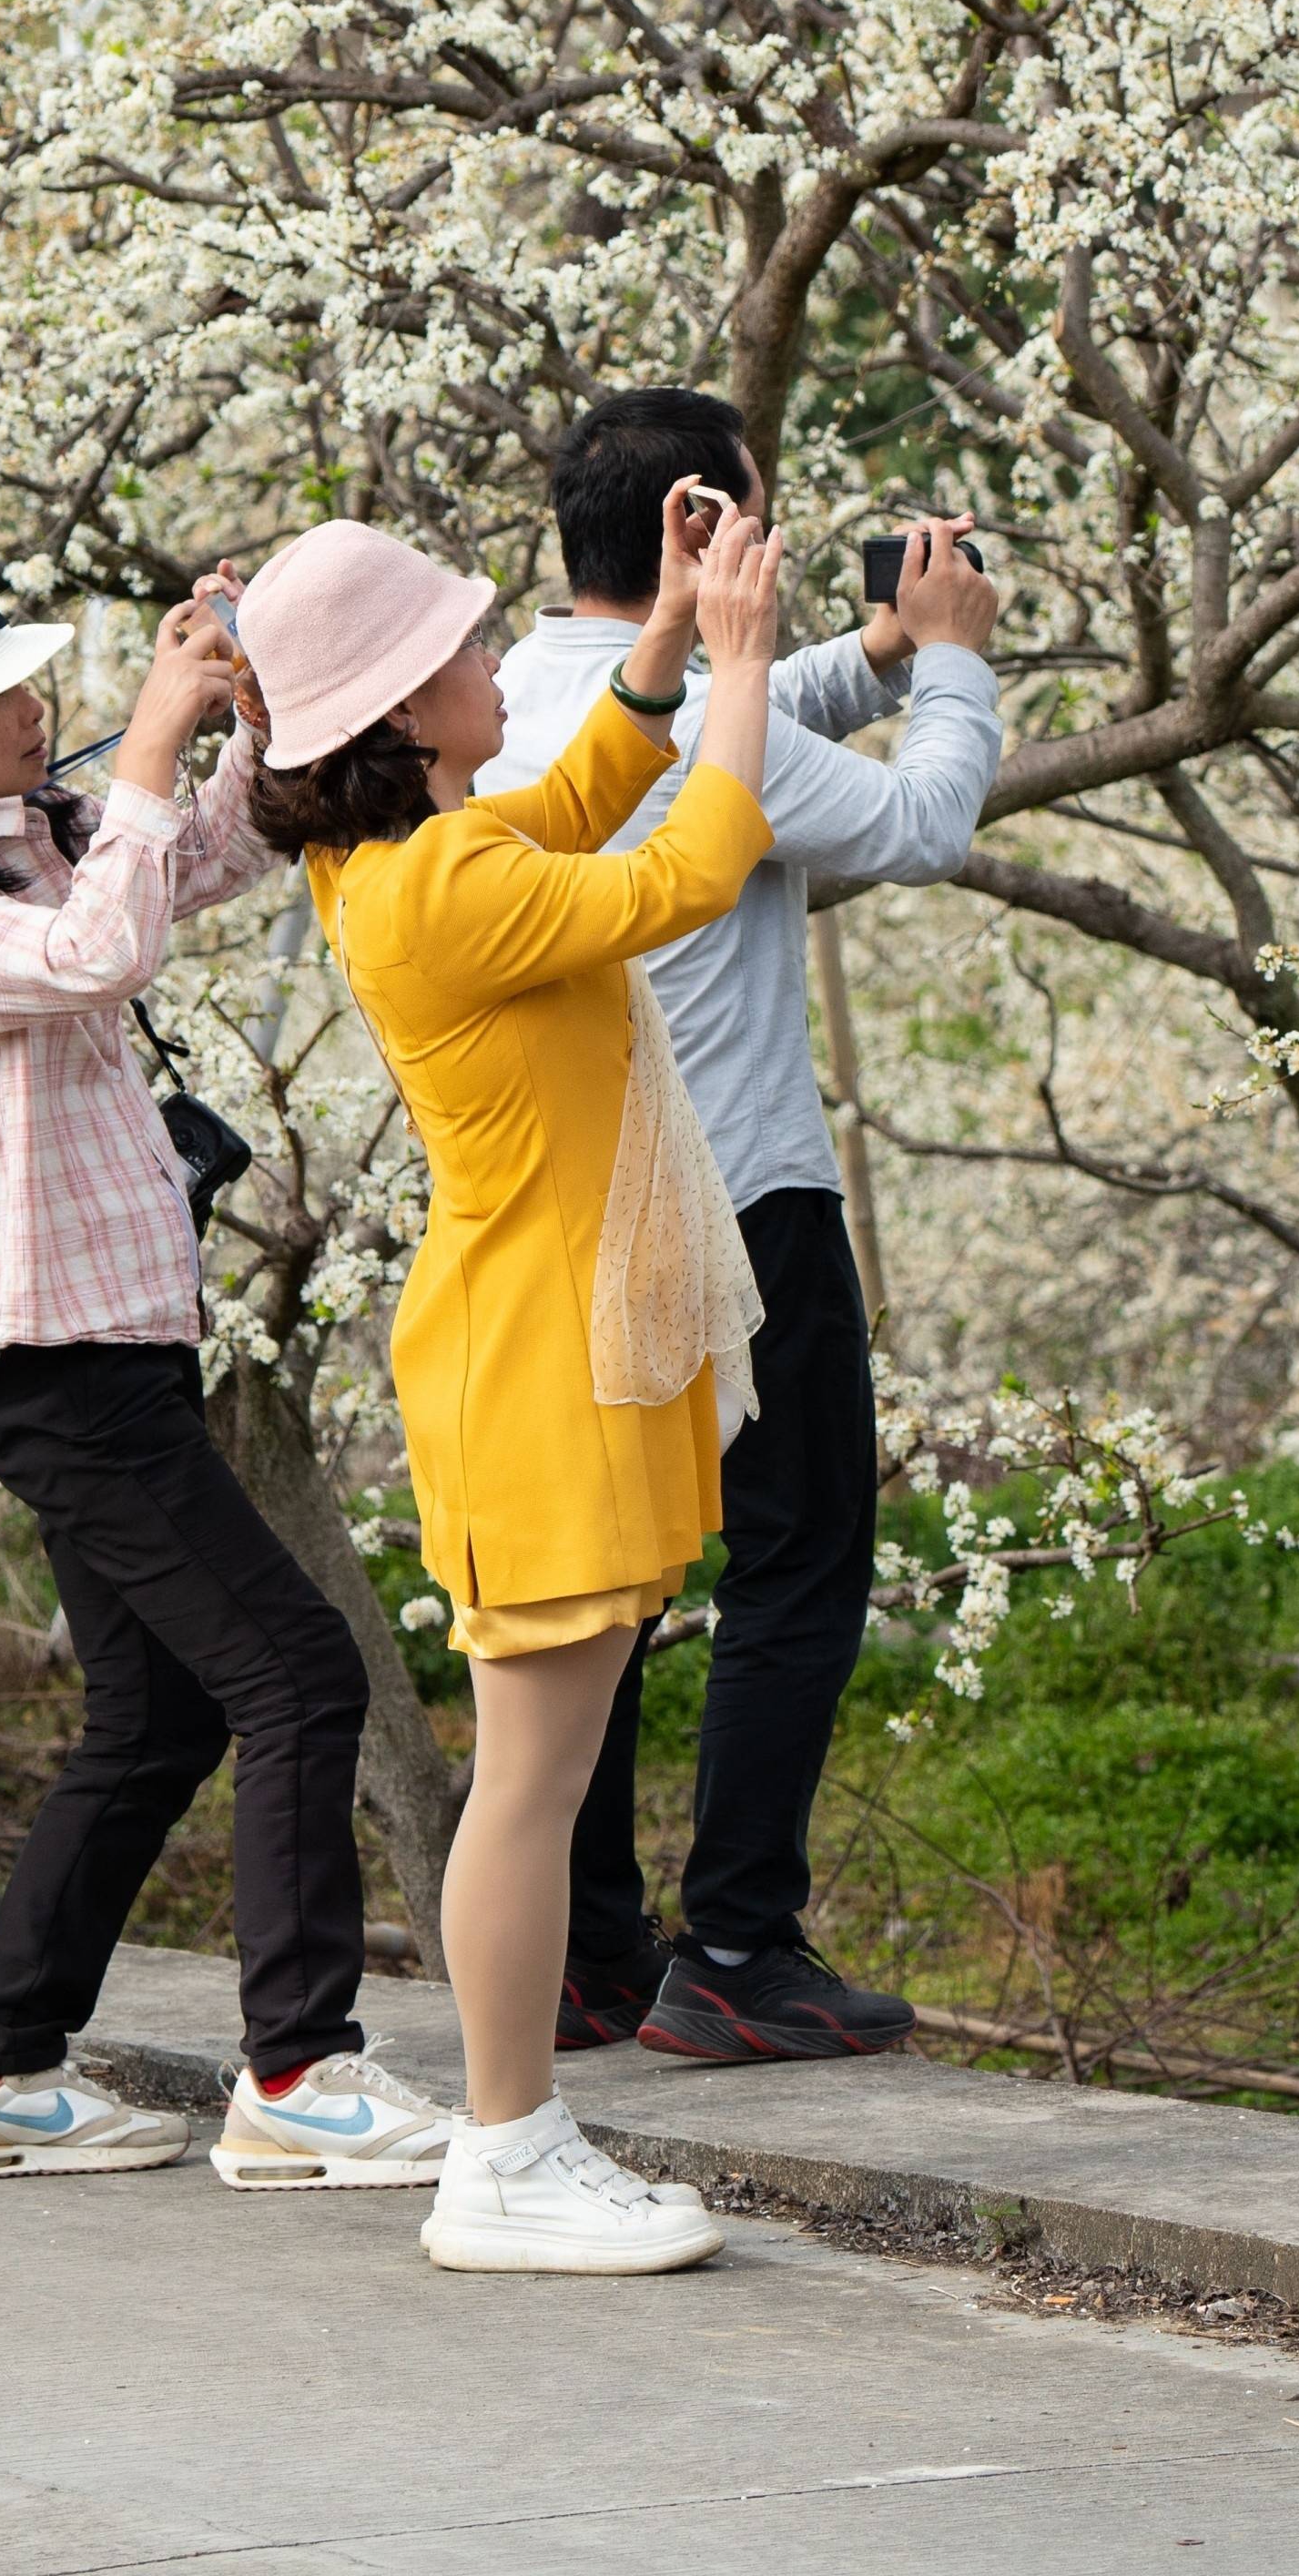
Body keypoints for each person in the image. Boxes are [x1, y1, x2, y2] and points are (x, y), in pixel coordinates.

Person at [0, 560, 453, 2195]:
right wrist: (155, 739)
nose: (39, 707)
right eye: (3, 696)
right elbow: (101, 958)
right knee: (298, 1669)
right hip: (46, 1353)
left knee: (155, 1712)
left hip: (107, 1342)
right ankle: (300, 2072)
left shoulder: (39, 842)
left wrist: (238, 706)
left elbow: (210, 859)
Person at [238, 496, 782, 2277]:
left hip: (544, 1336)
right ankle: (504, 2144)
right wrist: (744, 671)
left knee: (538, 1769)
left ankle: (512, 2135)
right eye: (463, 650)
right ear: (399, 711)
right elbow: (684, 874)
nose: (495, 664)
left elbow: (573, 801)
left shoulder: (418, 855)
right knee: (532, 1779)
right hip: (532, 1353)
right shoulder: (439, 885)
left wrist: (666, 651)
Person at [485, 392, 1002, 2063]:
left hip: (573, 1201)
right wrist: (957, 664)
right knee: (798, 1555)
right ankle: (738, 1951)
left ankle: (583, 1954)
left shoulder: (501, 697)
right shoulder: (721, 726)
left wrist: (866, 641)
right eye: (756, 521)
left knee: (610, 1576)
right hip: (742, 1197)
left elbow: (740, 709)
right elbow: (917, 826)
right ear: (697, 527)